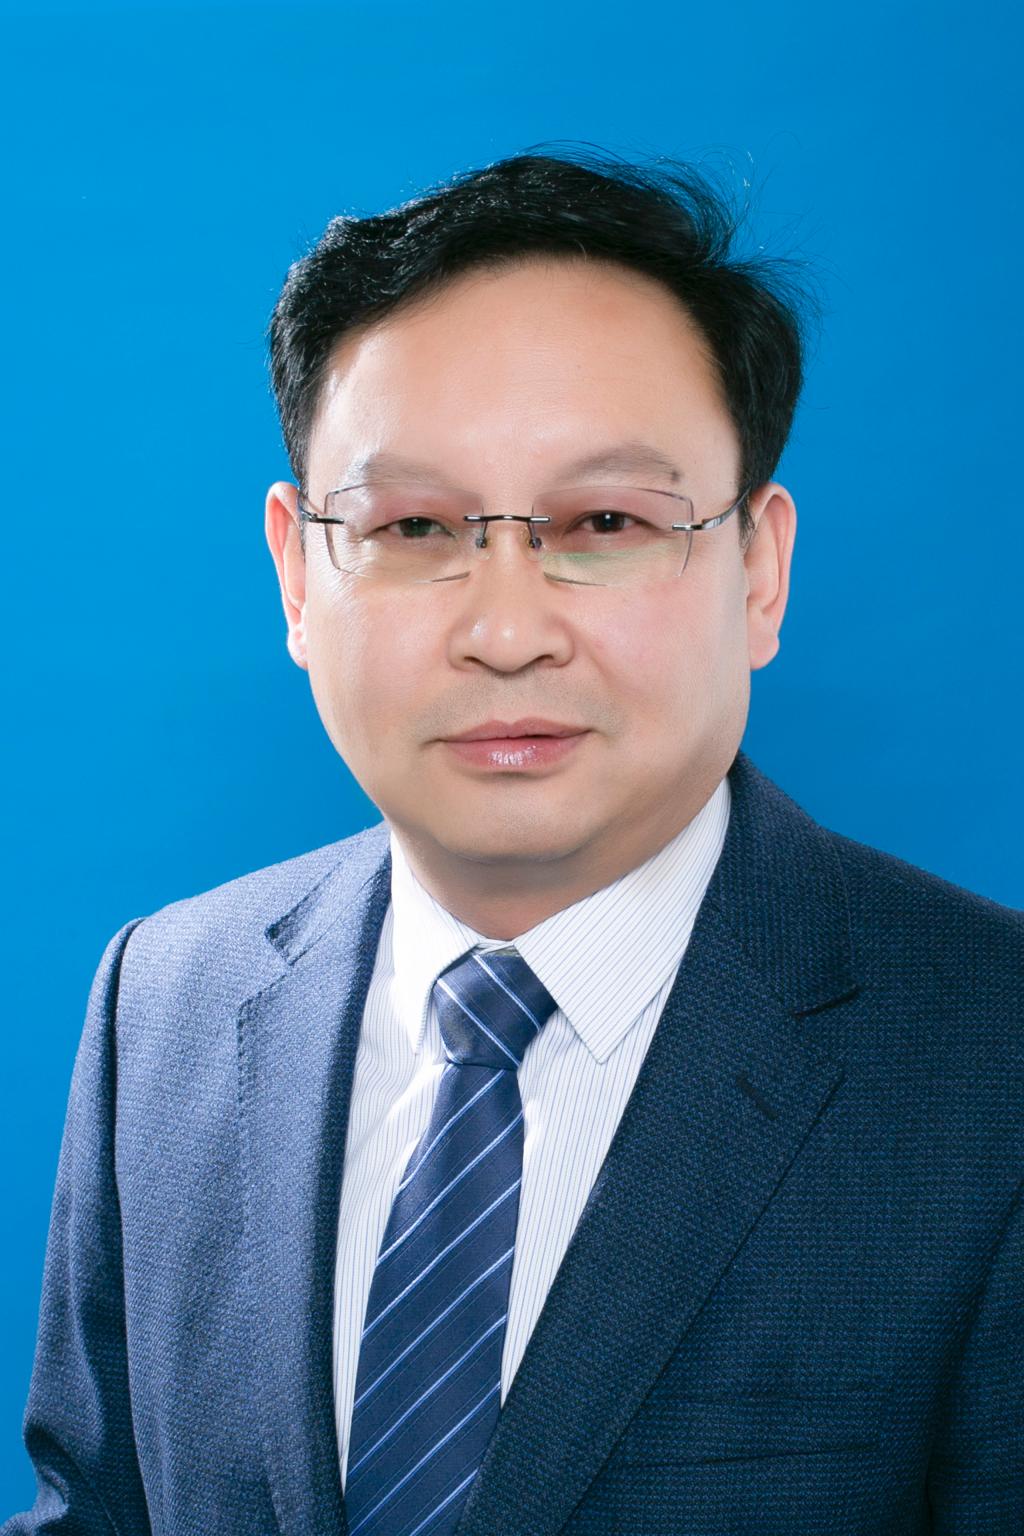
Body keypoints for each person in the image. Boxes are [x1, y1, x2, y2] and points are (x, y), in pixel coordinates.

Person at [4, 147, 1022, 1536]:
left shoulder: (992, 1055)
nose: (504, 630)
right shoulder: (163, 1004)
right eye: (414, 525)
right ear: (297, 574)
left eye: (604, 522)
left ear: (759, 570)